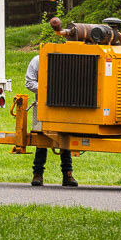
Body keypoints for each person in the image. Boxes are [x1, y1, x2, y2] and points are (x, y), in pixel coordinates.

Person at [24, 48, 76, 187]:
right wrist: (48, 89)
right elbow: (29, 83)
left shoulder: (66, 63)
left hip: (63, 106)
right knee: (41, 139)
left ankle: (68, 174)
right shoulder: (37, 61)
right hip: (42, 106)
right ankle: (38, 174)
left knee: (65, 138)